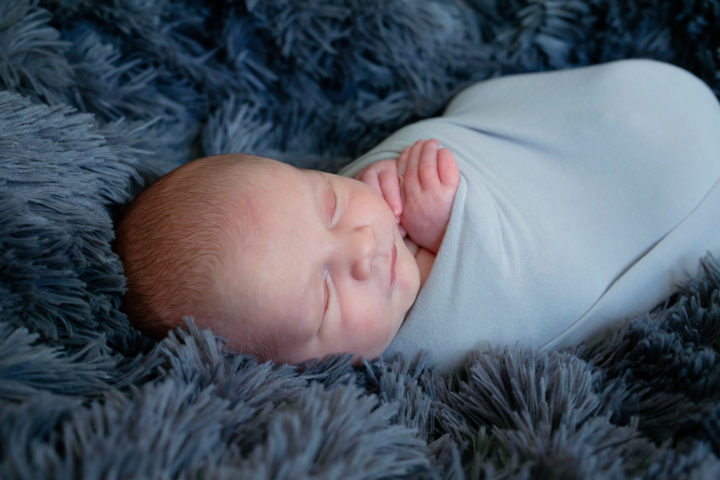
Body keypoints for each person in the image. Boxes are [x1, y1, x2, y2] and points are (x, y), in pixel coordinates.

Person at [115, 59, 720, 371]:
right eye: (324, 295)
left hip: (623, 113)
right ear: (296, 369)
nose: (361, 244)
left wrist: (399, 174)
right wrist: (458, 231)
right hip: (679, 184)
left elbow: (450, 145)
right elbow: (526, 302)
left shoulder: (367, 199)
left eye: (327, 203)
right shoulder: (417, 358)